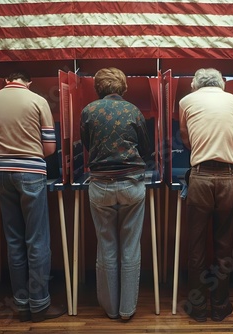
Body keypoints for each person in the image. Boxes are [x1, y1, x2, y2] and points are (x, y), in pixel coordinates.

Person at [0, 71, 66, 322]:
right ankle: (39, 304)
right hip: (30, 172)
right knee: (37, 240)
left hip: (1, 172)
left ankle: (21, 304)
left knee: (14, 240)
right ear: (28, 82)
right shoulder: (38, 101)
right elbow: (50, 148)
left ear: (7, 80)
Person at [80, 67, 150, 321]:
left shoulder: (88, 110)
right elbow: (146, 147)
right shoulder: (133, 110)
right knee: (130, 247)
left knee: (106, 246)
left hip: (100, 186)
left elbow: (87, 144)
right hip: (132, 184)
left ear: (98, 88)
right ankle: (126, 310)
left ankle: (110, 309)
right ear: (123, 87)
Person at [179, 68, 233, 322]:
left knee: (196, 244)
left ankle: (197, 307)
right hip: (229, 176)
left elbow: (186, 138)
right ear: (222, 83)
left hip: (201, 175)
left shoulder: (186, 101)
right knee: (224, 244)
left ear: (195, 84)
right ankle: (220, 305)